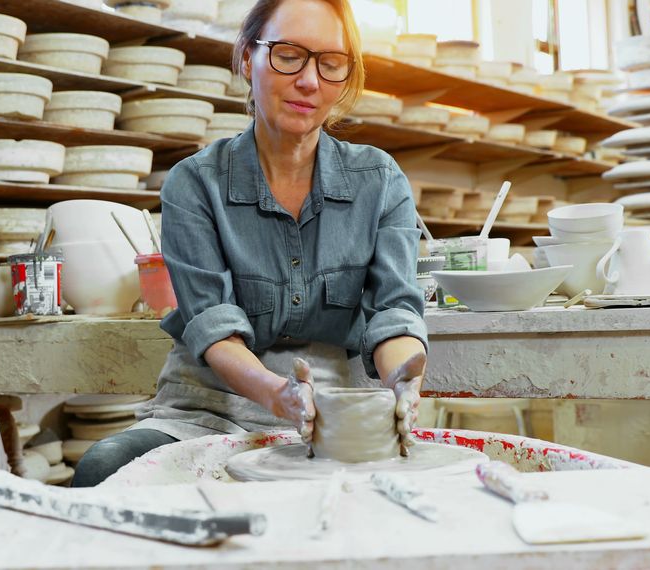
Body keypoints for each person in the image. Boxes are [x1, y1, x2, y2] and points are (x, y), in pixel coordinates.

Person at [72, 0, 427, 487]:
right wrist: (277, 394)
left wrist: (401, 379)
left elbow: (394, 313)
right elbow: (214, 329)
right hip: (201, 414)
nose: (310, 81)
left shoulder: (379, 181)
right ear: (246, 57)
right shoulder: (195, 184)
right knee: (105, 470)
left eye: (330, 63)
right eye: (288, 55)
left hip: (329, 418)